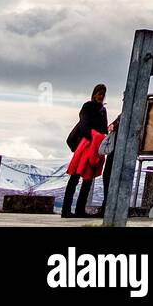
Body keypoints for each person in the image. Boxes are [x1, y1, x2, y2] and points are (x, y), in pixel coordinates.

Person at [61, 84, 108, 219]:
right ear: (94, 94)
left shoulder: (102, 110)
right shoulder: (87, 106)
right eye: (99, 93)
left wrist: (99, 139)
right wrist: (94, 136)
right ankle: (66, 210)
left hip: (95, 146)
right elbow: (84, 124)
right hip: (85, 144)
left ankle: (80, 210)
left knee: (88, 179)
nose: (101, 96)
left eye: (103, 94)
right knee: (75, 176)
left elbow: (104, 128)